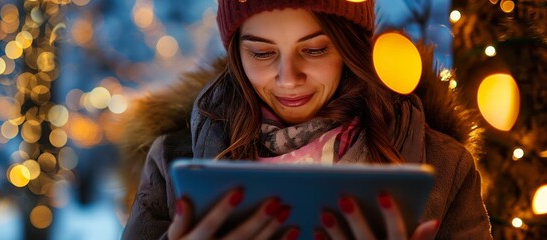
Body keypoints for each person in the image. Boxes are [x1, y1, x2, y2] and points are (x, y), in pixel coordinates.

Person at [119, 0, 492, 239]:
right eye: (262, 54)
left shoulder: (443, 165)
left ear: (351, 47)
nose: (288, 78)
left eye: (314, 49)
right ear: (236, 53)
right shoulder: (173, 159)